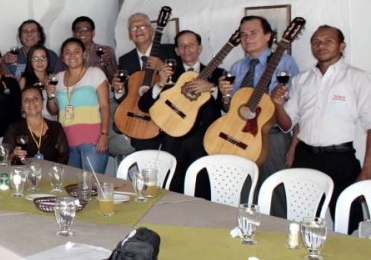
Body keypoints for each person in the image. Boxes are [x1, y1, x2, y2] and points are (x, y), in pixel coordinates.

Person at [271, 25, 371, 232]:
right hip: (305, 157)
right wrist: (278, 105)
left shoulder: (357, 78)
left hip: (341, 159)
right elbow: (287, 124)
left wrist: (368, 169)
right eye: (315, 42)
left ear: (341, 45)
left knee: (348, 221)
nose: (320, 45)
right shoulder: (301, 80)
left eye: (328, 41)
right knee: (301, 219)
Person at [218, 15, 299, 203]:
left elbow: (297, 106)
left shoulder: (285, 63)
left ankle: (279, 231)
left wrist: (294, 144)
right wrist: (225, 96)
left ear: (268, 35)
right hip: (240, 136)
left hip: (272, 136)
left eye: (253, 33)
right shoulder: (237, 67)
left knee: (276, 194)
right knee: (243, 191)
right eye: (243, 34)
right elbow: (229, 108)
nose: (247, 38)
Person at [137, 30, 222, 193]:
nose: (187, 49)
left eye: (191, 44)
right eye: (182, 46)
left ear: (200, 48)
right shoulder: (168, 73)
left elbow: (227, 108)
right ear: (176, 51)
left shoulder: (217, 74)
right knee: (172, 188)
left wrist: (212, 88)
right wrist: (160, 84)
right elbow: (144, 105)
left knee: (202, 189)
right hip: (173, 139)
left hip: (204, 141)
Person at [111, 12, 178, 151]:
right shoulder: (125, 60)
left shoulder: (171, 51)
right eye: (133, 28)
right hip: (140, 122)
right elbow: (125, 98)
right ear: (130, 35)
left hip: (168, 120)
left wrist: (161, 67)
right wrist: (118, 89)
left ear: (152, 30)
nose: (138, 30)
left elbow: (181, 83)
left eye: (142, 26)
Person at [48, 38, 109, 172]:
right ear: (62, 57)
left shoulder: (95, 73)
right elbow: (53, 110)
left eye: (76, 51)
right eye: (67, 52)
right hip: (67, 142)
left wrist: (104, 134)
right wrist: (50, 95)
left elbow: (104, 106)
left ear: (84, 54)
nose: (72, 56)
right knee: (72, 186)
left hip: (92, 140)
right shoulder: (57, 78)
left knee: (92, 185)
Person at [3, 86, 69, 164]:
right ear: (22, 106)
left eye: (36, 98)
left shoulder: (56, 127)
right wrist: (13, 155)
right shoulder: (14, 128)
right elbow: (4, 158)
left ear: (43, 102)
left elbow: (64, 156)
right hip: (24, 174)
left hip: (51, 174)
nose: (31, 102)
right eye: (26, 100)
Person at [59, 16, 117, 81]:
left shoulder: (106, 51)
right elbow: (57, 76)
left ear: (93, 33)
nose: (82, 33)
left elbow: (115, 79)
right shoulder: (67, 52)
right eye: (78, 30)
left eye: (86, 29)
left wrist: (109, 63)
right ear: (73, 33)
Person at [19, 45, 57, 121]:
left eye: (43, 58)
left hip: (51, 123)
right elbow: (19, 109)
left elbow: (54, 112)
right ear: (30, 61)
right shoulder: (24, 80)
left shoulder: (54, 79)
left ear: (48, 60)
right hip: (29, 123)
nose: (39, 61)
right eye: (35, 58)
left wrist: (50, 94)